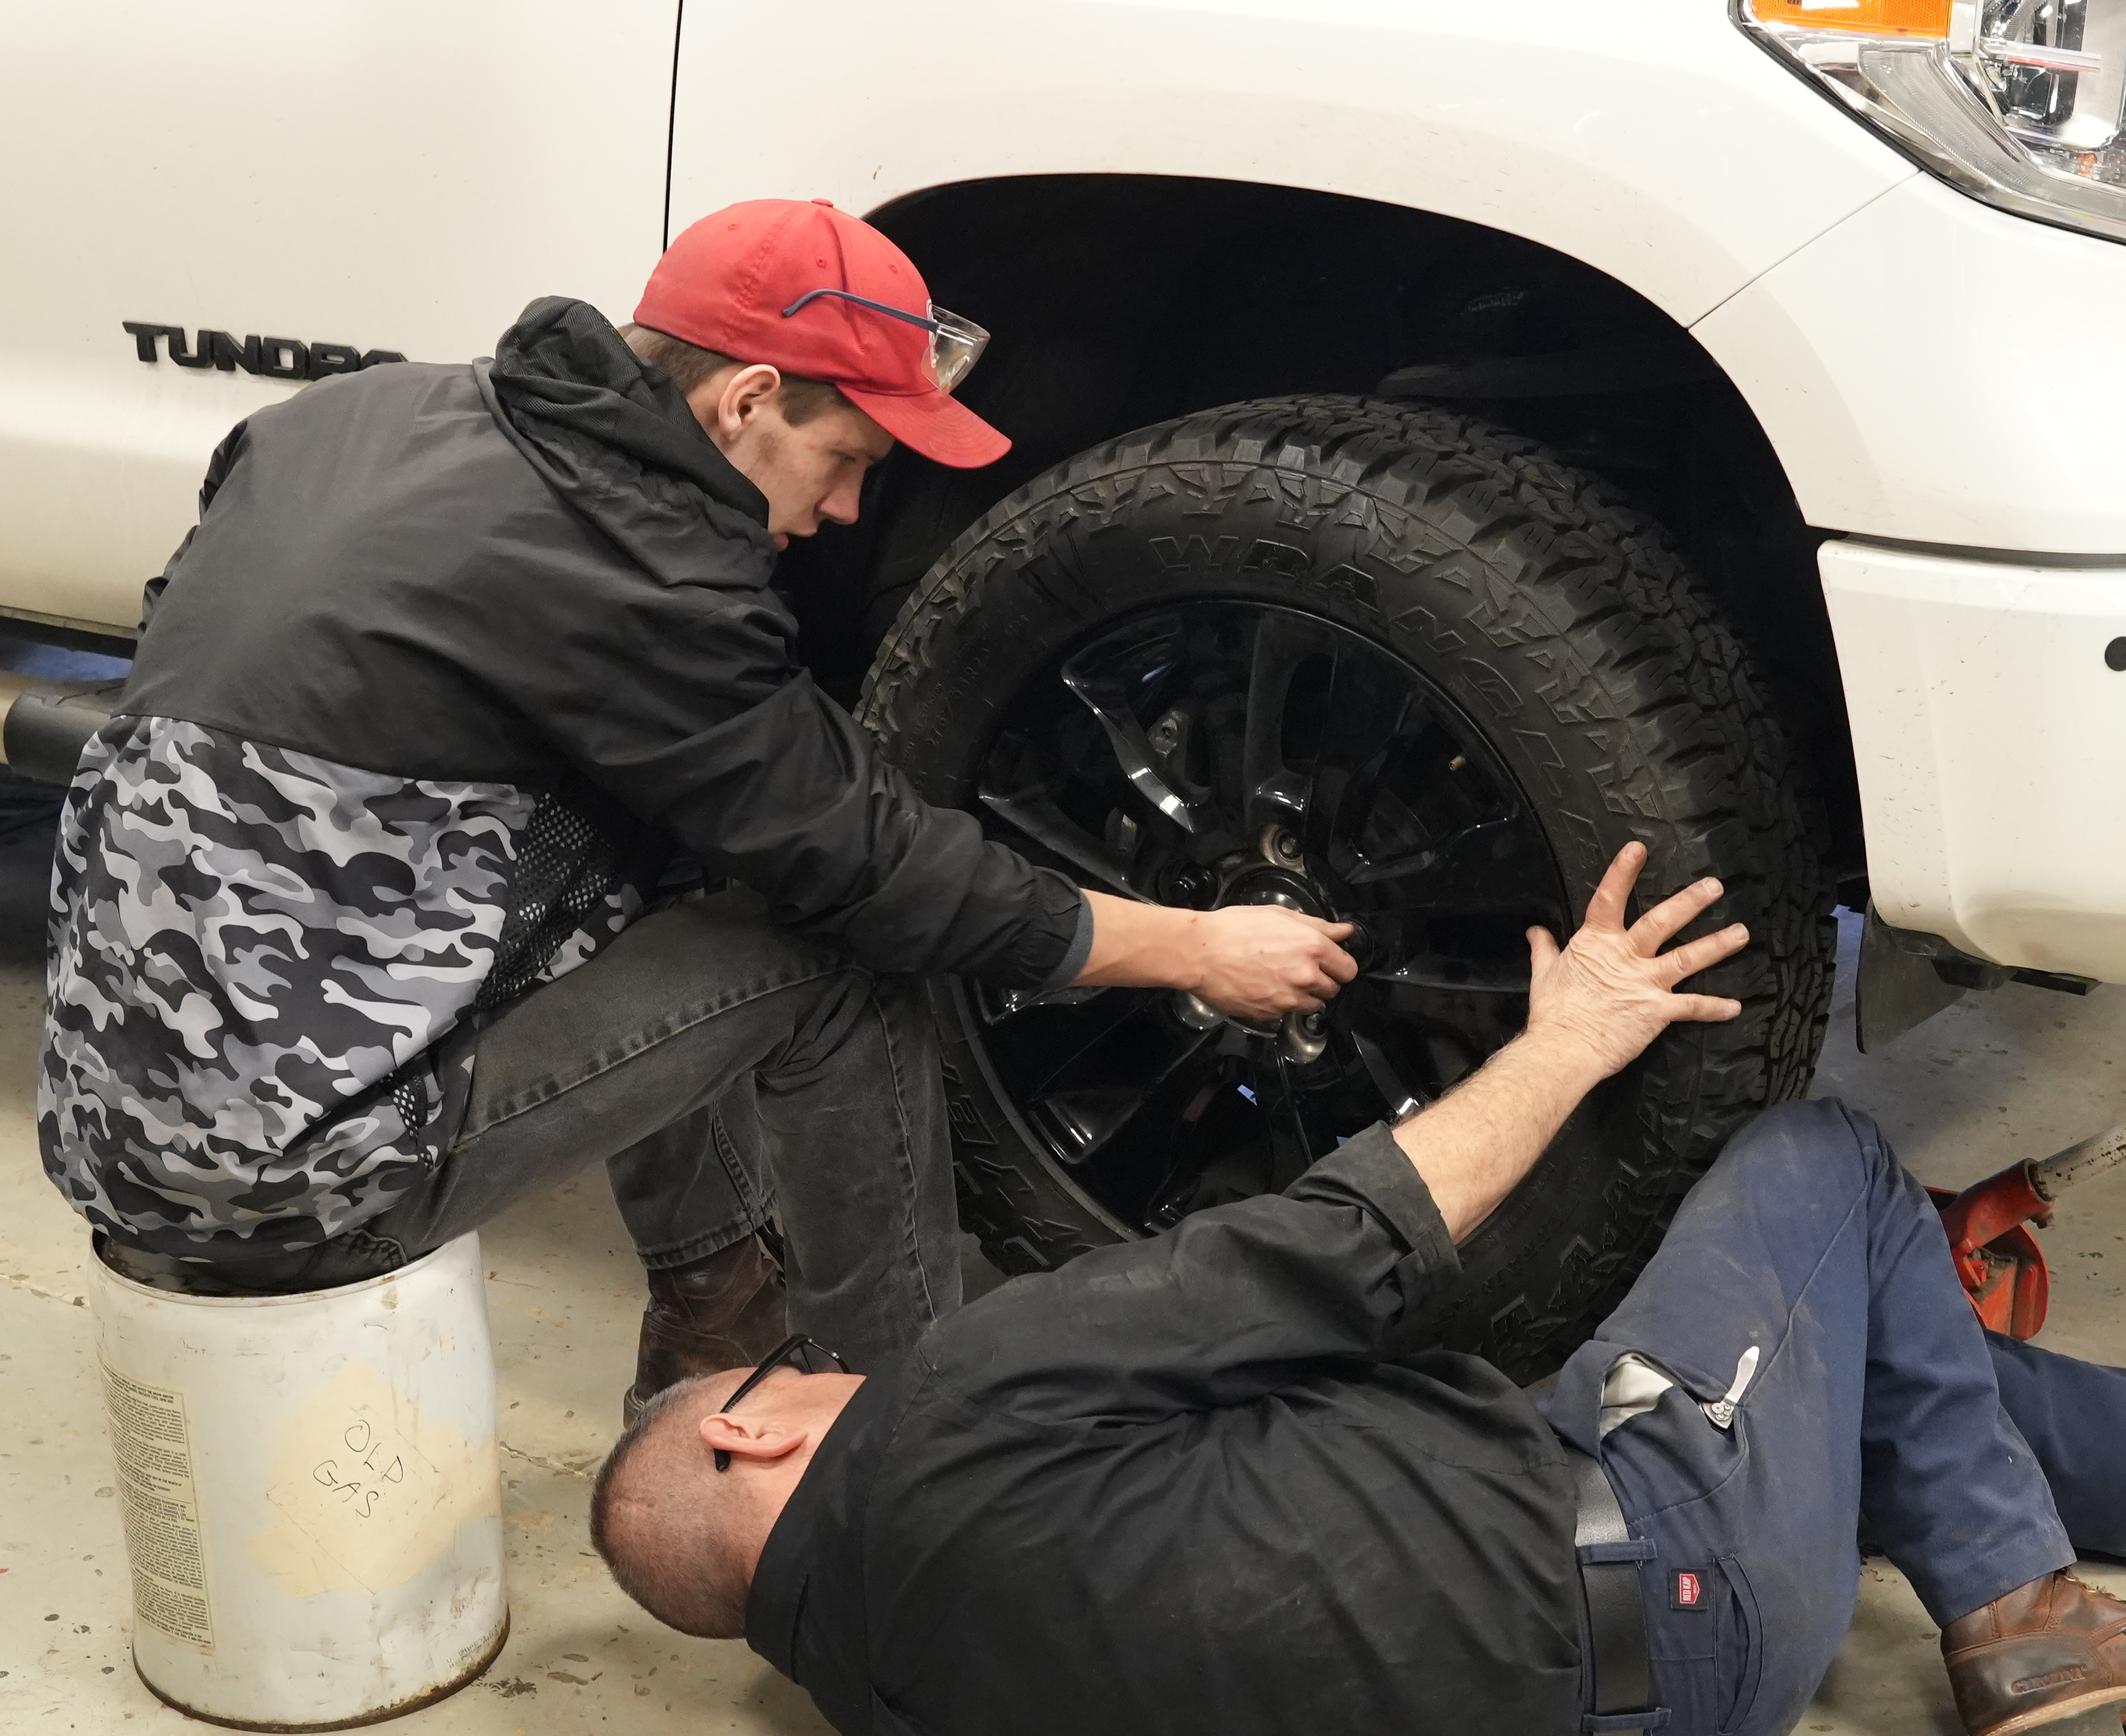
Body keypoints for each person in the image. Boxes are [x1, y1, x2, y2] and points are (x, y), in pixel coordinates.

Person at [592, 844, 2126, 1736]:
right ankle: (2030, 1622)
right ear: (752, 1444)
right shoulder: (950, 1409)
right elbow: (1344, 1238)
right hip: (1674, 1583)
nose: (830, 1364)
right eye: (793, 1372)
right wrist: (1570, 1038)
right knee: (1829, 1179)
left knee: (1810, 1347)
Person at [38, 199, 1356, 1411]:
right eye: (844, 460)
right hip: (286, 1191)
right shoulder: (643, 584)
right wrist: (1192, 946)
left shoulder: (345, 419)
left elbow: (177, 641)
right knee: (835, 952)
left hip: (116, 1119)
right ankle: (895, 1447)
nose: (845, 511)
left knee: (660, 852)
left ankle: (711, 1304)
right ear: (748, 400)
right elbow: (876, 868)